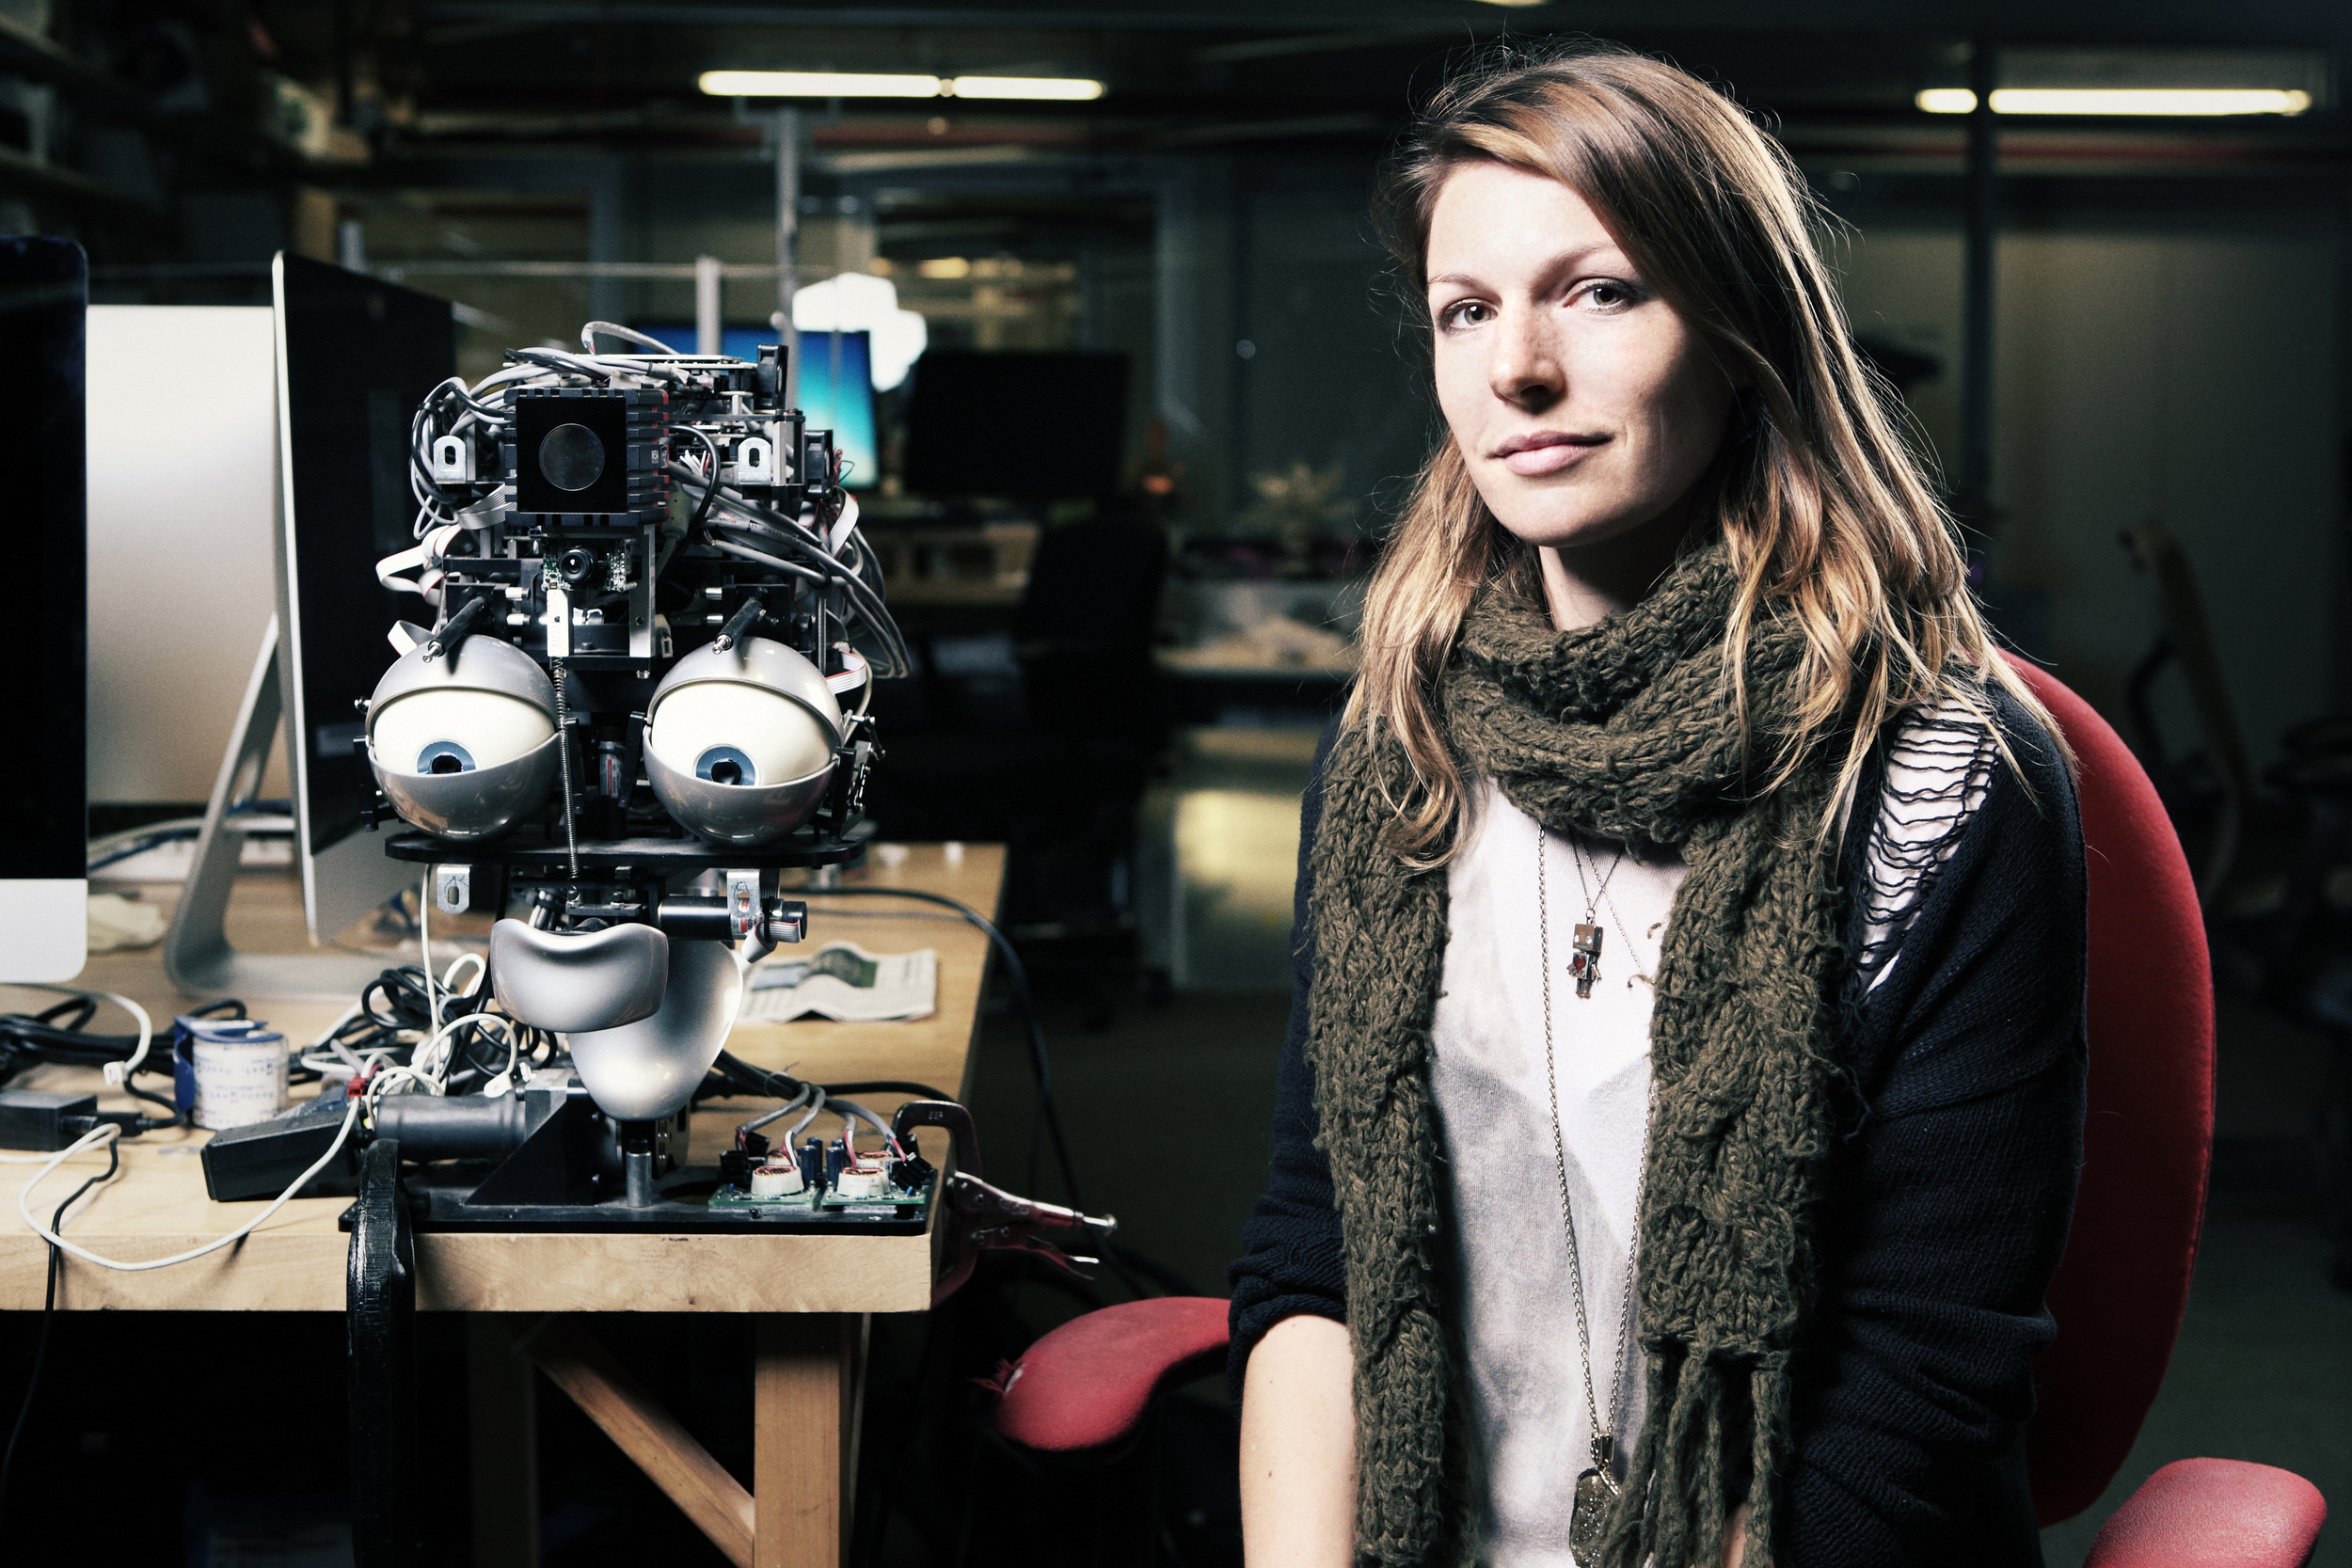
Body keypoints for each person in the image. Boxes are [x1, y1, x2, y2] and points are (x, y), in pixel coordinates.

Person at [1225, 43, 2088, 1568]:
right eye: (1466, 312)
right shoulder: (1401, 746)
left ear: (1740, 323)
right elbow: (1317, 1259)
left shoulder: (1947, 780)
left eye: (1602, 290)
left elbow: (1920, 1378)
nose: (1518, 371)